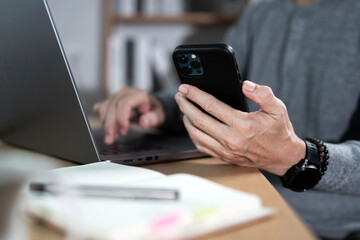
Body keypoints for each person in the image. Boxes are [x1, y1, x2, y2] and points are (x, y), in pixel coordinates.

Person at [93, 0, 360, 239]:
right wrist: (160, 105)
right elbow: (218, 95)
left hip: (328, 224)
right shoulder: (261, 13)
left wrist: (296, 156)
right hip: (241, 196)